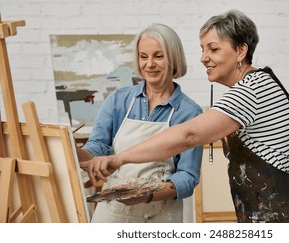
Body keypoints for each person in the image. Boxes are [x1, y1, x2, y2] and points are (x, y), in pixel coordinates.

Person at [80, 10, 289, 223]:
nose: (203, 58)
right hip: (265, 214)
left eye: (213, 49)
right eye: (202, 49)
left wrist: (120, 159)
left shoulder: (251, 90)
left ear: (241, 50)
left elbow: (188, 136)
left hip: (280, 218)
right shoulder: (258, 83)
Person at [77, 23, 203, 223]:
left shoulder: (190, 112)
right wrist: (71, 151)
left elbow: (188, 177)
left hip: (160, 217)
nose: (149, 64)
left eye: (158, 56)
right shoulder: (119, 99)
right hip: (112, 213)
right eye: (143, 57)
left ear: (174, 58)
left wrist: (147, 194)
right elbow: (98, 146)